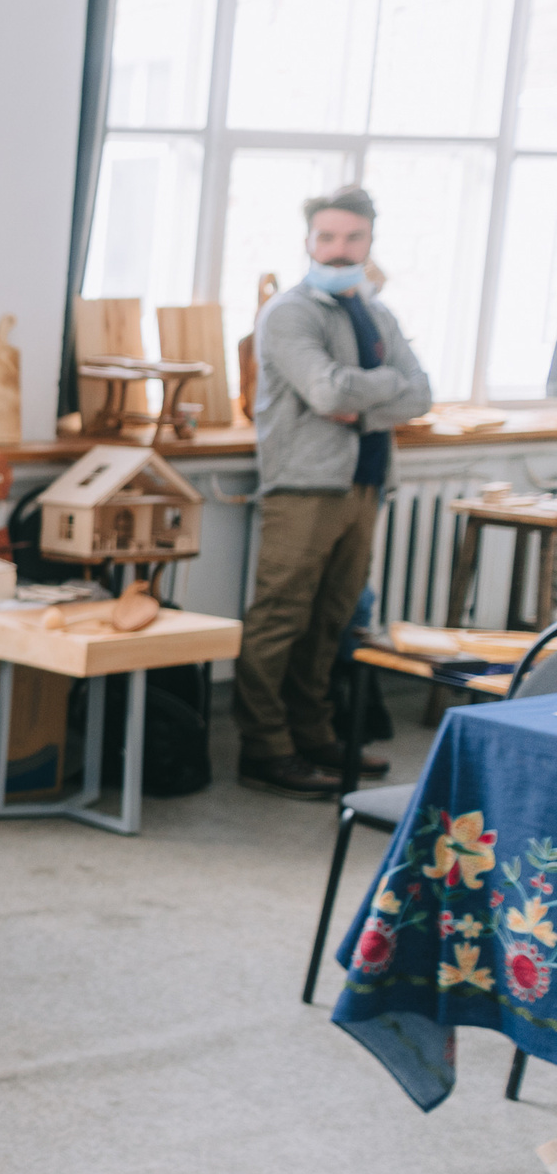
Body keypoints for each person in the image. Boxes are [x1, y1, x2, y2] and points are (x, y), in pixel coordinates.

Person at [238, 185, 432, 800]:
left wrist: (363, 401)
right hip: (305, 487)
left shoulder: (375, 312)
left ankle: (313, 735)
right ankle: (266, 751)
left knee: (332, 620)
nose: (339, 248)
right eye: (327, 237)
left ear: (369, 242)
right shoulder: (291, 313)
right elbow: (325, 394)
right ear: (308, 243)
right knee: (281, 618)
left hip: (364, 483)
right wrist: (383, 391)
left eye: (352, 237)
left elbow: (421, 393)